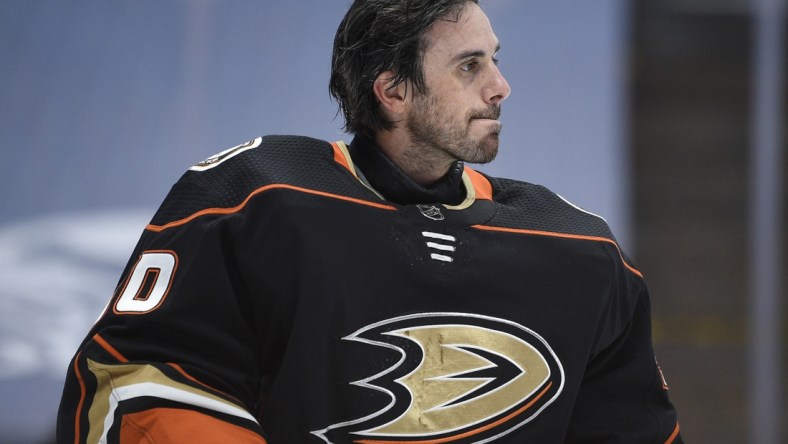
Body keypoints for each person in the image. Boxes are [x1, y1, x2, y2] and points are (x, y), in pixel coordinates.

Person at [57, 0, 682, 442]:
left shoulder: (578, 250)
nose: (501, 86)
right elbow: (131, 382)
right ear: (394, 90)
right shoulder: (258, 199)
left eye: (494, 59)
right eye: (470, 66)